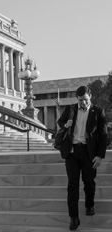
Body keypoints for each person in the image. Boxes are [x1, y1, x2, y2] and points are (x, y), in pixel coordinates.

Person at [57, 85, 107, 230]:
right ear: (77, 99)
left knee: (89, 182)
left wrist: (99, 156)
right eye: (80, 100)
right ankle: (73, 218)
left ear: (90, 97)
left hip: (88, 153)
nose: (83, 103)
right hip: (72, 152)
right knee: (72, 185)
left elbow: (103, 136)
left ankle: (89, 205)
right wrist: (66, 125)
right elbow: (60, 122)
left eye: (85, 100)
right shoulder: (71, 109)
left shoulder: (98, 112)